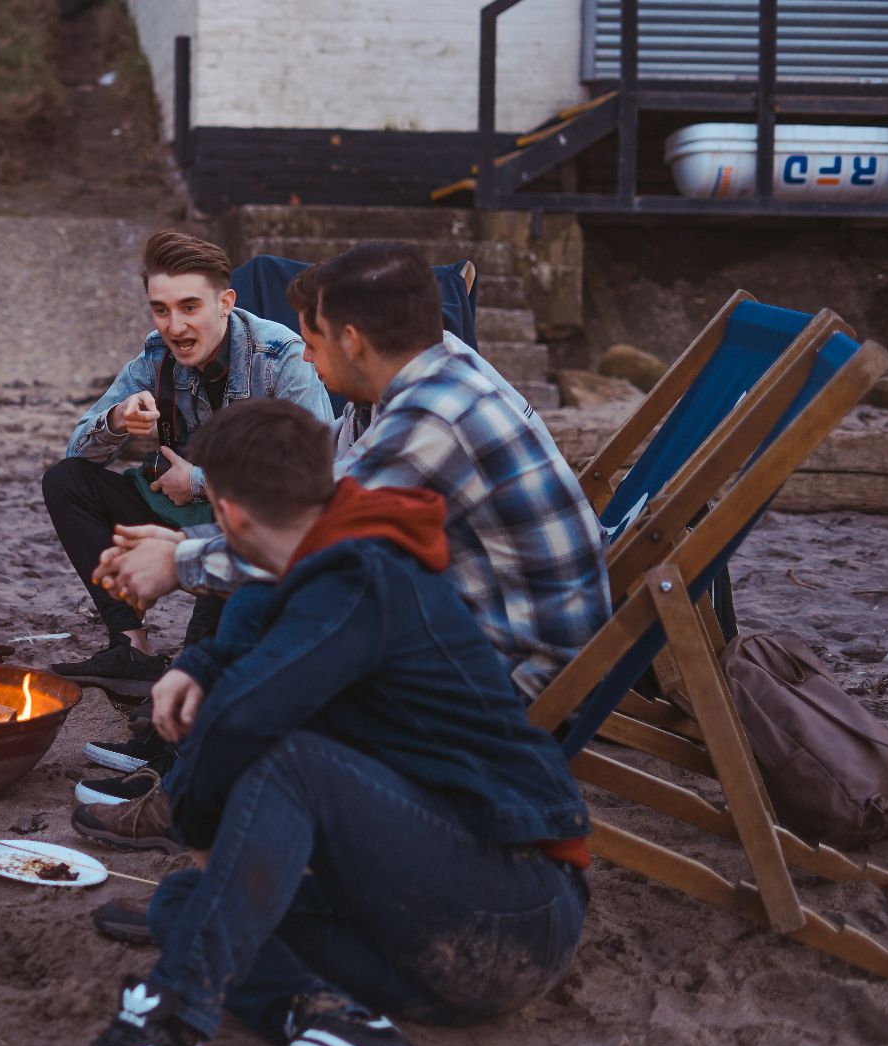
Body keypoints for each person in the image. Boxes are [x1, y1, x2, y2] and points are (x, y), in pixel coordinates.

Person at [34, 401, 590, 1046]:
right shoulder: (315, 561)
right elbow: (255, 622)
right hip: (422, 946)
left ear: (228, 516)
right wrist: (200, 665)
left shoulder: (364, 574)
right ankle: (342, 1023)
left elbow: (244, 720)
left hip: (513, 912)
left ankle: (164, 1030)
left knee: (287, 765)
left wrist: (199, 826)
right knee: (185, 904)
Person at [96, 240, 609, 703]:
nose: (308, 360)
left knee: (288, 621)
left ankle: (188, 771)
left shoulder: (433, 416)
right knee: (261, 601)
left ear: (352, 341)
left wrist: (179, 561)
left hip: (522, 669)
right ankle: (179, 760)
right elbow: (320, 492)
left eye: (312, 345)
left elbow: (319, 536)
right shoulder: (420, 371)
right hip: (471, 615)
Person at [41, 229, 333, 700]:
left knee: (202, 652)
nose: (173, 326)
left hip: (254, 523)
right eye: (161, 310)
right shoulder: (156, 357)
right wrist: (117, 420)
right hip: (178, 510)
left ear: (225, 302)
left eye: (189, 307)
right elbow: (79, 450)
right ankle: (130, 647)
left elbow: (317, 474)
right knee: (67, 481)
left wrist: (198, 481)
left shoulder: (281, 357)